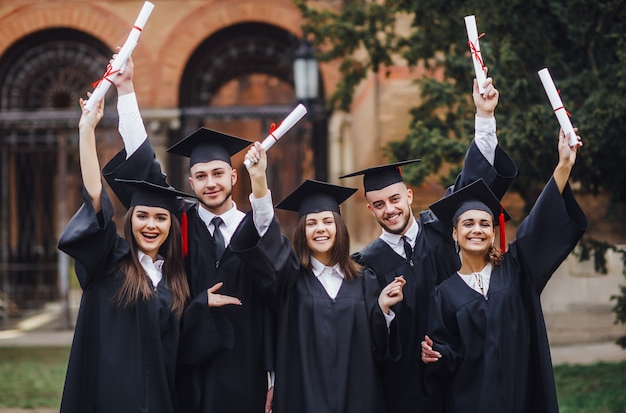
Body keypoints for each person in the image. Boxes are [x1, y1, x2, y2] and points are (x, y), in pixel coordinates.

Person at [101, 53, 279, 413]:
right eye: (201, 176)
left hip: (244, 372)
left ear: (233, 176)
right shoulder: (176, 220)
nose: (210, 184)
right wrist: (126, 89)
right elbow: (143, 165)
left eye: (218, 173)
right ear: (190, 182)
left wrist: (274, 377)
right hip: (185, 368)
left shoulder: (257, 228)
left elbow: (276, 303)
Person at [338, 77, 518, 412]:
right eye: (379, 204)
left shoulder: (441, 227)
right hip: (406, 389)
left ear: (408, 196)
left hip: (462, 370)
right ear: (369, 208)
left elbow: (474, 180)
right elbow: (367, 336)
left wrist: (484, 116)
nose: (389, 209)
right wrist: (384, 309)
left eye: (394, 199)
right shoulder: (366, 264)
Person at [230, 141, 406, 413]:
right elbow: (269, 236)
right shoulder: (289, 279)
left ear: (339, 228)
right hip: (303, 399)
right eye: (311, 223)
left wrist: (382, 310)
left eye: (327, 221)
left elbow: (379, 350)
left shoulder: (365, 281)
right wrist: (259, 180)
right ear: (302, 231)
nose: (320, 229)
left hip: (357, 399)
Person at [421, 128, 588, 413]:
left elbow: (540, 222)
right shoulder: (445, 293)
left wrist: (564, 166)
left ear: (494, 230)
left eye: (484, 224)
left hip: (521, 397)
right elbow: (448, 352)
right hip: (472, 402)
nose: (477, 230)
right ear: (454, 234)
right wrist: (435, 355)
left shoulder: (517, 268)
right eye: (468, 223)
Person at [58, 94, 207, 412]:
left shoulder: (173, 280)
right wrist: (87, 130)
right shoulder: (109, 262)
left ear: (171, 225)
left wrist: (203, 304)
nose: (151, 225)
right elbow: (95, 197)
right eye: (142, 216)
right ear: (130, 219)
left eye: (161, 217)